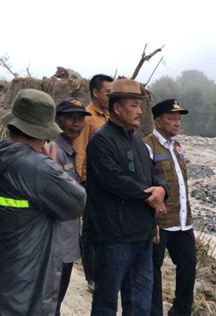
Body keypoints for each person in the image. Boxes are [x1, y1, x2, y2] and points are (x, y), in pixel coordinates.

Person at [0, 89, 86, 315]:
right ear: (43, 132)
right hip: (25, 285)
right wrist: (52, 166)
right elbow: (77, 203)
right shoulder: (38, 168)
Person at [87, 79, 168, 315]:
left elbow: (155, 173)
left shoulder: (138, 143)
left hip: (142, 236)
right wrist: (149, 195)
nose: (140, 111)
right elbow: (113, 179)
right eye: (134, 105)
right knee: (106, 301)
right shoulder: (102, 140)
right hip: (113, 237)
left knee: (140, 302)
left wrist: (162, 190)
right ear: (117, 108)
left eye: (140, 105)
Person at [143, 99, 196, 316]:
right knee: (153, 272)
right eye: (171, 119)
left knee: (188, 268)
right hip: (160, 223)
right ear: (157, 121)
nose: (177, 123)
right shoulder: (147, 145)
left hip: (183, 222)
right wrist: (150, 220)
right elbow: (145, 184)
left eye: (178, 119)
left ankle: (180, 311)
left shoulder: (177, 146)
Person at [72, 74, 113, 291]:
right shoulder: (88, 118)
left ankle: (103, 272)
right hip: (90, 182)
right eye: (108, 93)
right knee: (90, 230)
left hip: (106, 184)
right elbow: (80, 149)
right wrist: (81, 179)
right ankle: (91, 277)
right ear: (96, 93)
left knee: (104, 227)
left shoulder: (107, 117)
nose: (111, 97)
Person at [51, 98, 91, 315]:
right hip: (56, 242)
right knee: (51, 300)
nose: (76, 124)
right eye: (70, 118)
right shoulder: (53, 150)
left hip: (67, 239)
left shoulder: (69, 149)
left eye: (80, 119)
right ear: (57, 120)